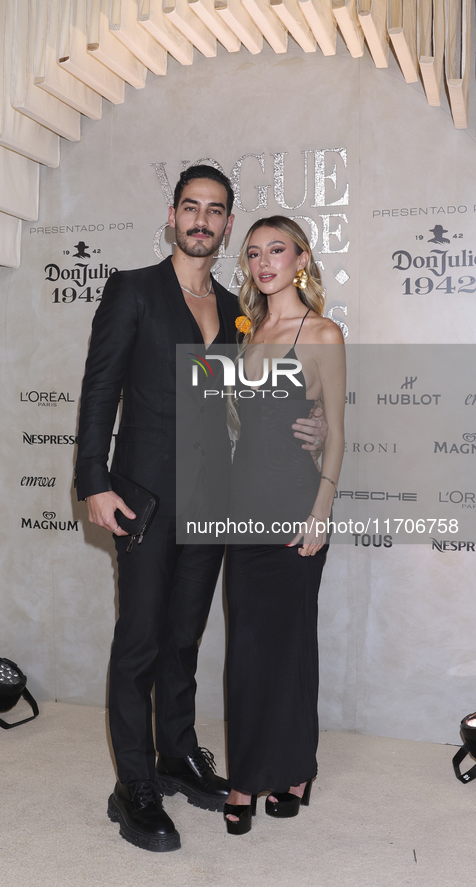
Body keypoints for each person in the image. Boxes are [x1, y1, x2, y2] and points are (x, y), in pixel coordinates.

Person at [75, 170, 327, 852]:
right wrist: (92, 479)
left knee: (183, 637)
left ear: (225, 226)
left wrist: (316, 428)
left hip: (216, 497)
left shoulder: (233, 307)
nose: (201, 220)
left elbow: (269, 395)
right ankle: (134, 785)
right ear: (172, 214)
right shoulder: (133, 289)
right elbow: (99, 388)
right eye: (191, 206)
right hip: (145, 495)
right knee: (140, 642)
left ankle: (176, 753)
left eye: (215, 212)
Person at [222, 216, 345, 836]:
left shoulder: (321, 333)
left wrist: (321, 509)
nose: (264, 261)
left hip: (300, 504)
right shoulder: (244, 335)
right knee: (245, 643)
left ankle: (296, 769)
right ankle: (244, 773)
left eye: (276, 250)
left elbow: (337, 432)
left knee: (292, 641)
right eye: (253, 253)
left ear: (300, 258)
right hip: (245, 505)